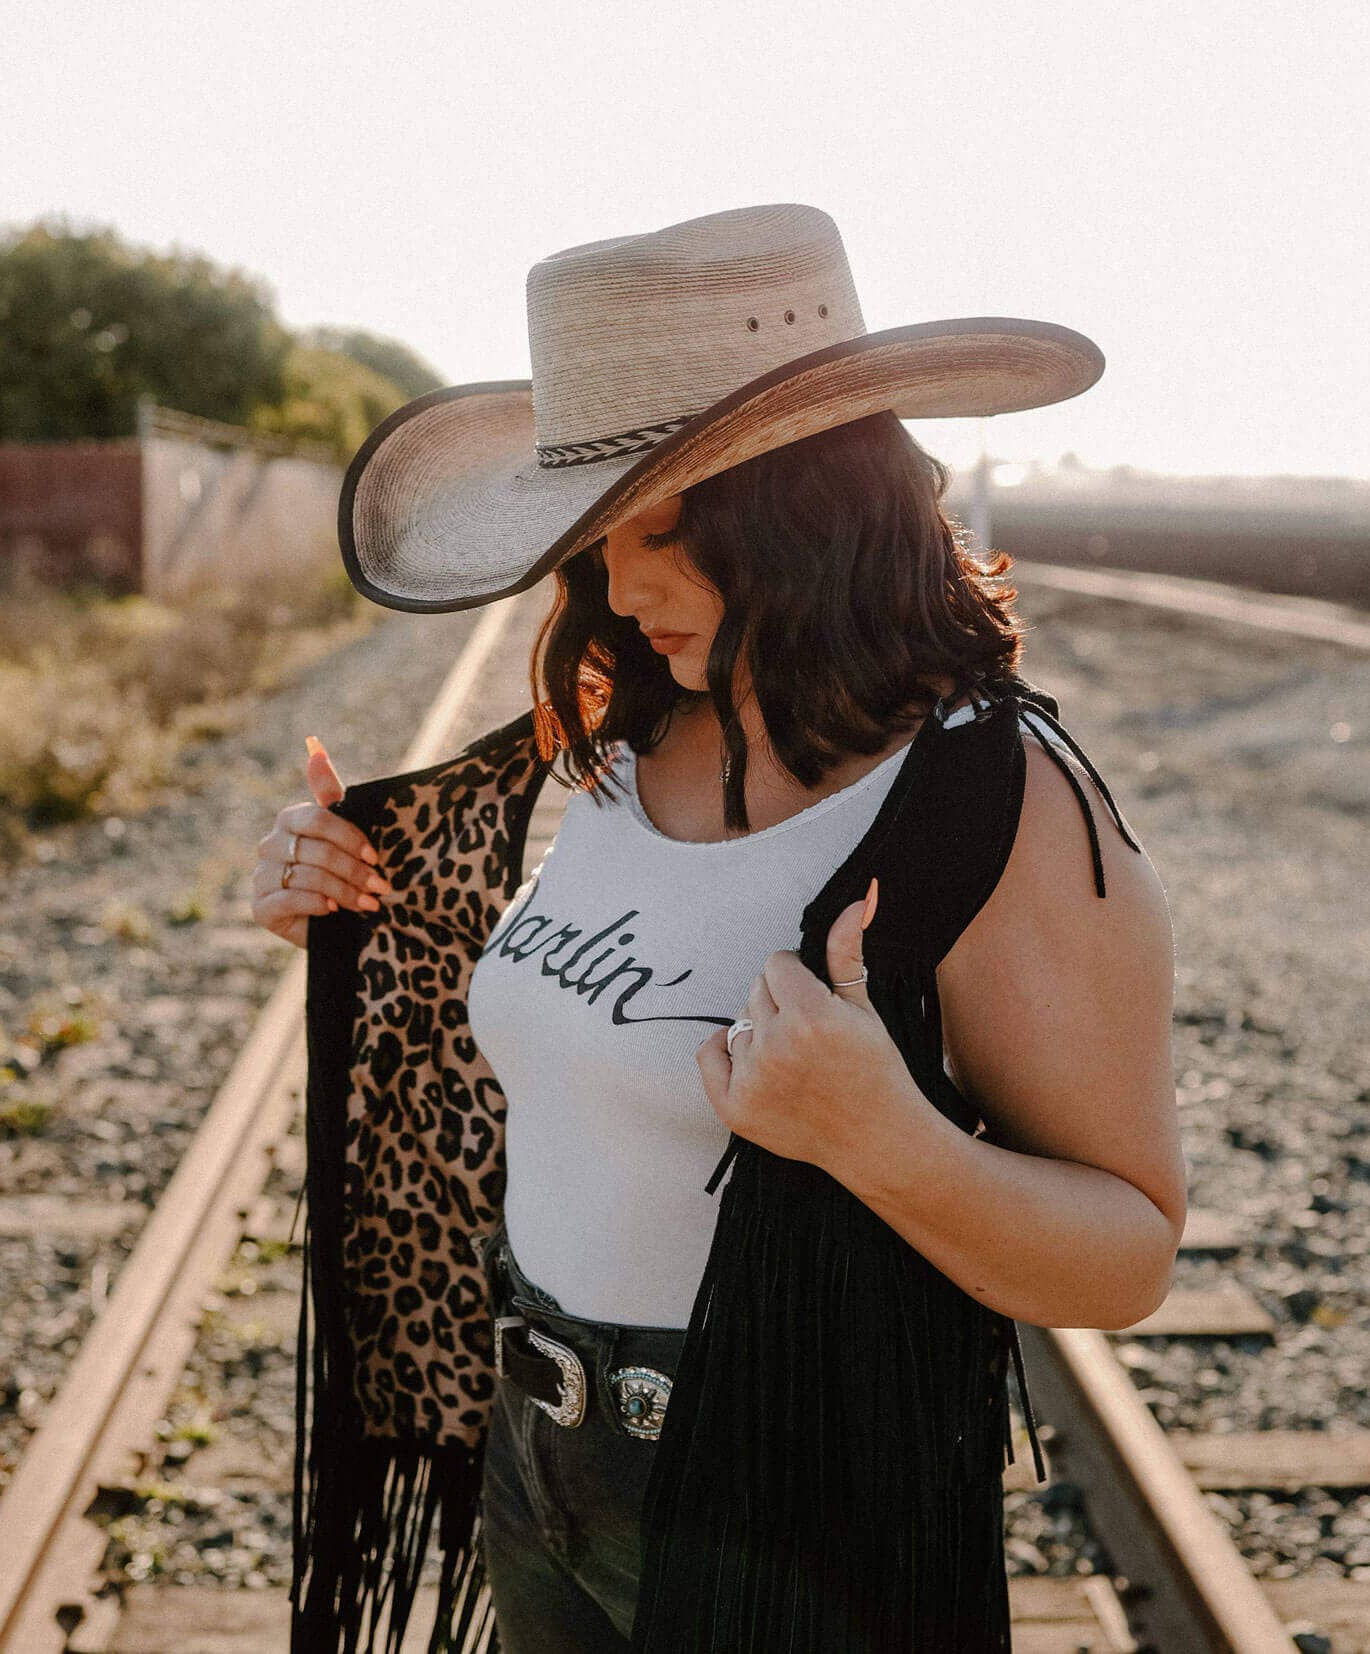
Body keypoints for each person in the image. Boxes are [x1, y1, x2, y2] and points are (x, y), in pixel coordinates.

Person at [251, 204, 1184, 1654]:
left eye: (666, 529)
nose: (622, 589)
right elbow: (583, 1065)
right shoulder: (632, 735)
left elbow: (1126, 1253)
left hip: (787, 1498)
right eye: (596, 540)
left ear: (810, 510)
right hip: (538, 1461)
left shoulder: (996, 800)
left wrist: (884, 1138)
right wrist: (355, 911)